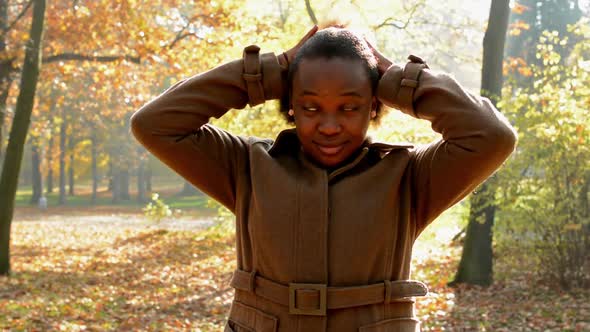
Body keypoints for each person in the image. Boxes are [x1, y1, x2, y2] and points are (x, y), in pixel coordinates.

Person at [131, 25, 517, 332]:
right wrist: (271, 70)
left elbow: (491, 136)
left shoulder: (410, 176)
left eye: (350, 106)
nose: (329, 126)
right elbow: (155, 124)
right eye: (311, 106)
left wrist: (398, 80)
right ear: (290, 106)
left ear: (374, 106)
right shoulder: (247, 166)